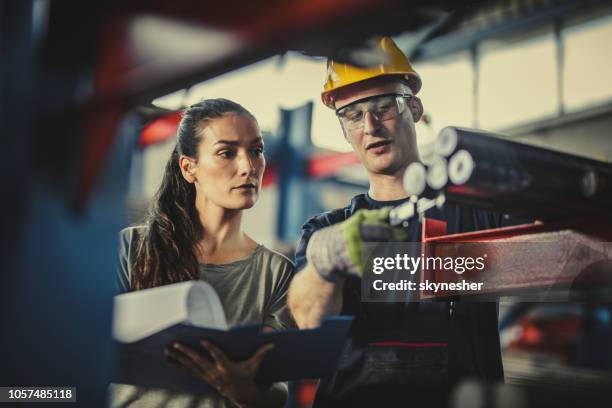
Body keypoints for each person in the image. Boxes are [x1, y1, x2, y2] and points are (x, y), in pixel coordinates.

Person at [287, 37, 527, 407]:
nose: (370, 126)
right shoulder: (325, 230)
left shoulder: (477, 213)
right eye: (353, 115)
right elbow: (308, 320)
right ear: (343, 129)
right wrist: (322, 262)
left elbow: (555, 249)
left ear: (414, 108)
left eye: (384, 107)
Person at [111, 98, 294, 408]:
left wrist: (240, 388)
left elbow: (277, 391)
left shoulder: (276, 273)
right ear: (189, 167)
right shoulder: (132, 248)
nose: (248, 166)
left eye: (256, 150)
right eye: (226, 153)